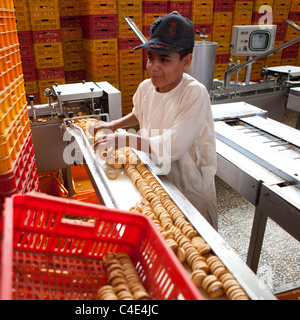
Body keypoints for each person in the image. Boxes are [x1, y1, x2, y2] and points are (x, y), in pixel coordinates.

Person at [91, 12, 218, 230]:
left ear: (186, 61)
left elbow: (174, 147)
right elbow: (140, 113)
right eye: (151, 57)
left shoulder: (194, 94)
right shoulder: (146, 87)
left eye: (164, 59)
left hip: (189, 187)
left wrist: (125, 139)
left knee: (196, 242)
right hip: (158, 177)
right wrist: (114, 125)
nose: (153, 66)